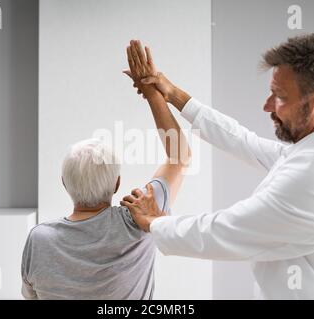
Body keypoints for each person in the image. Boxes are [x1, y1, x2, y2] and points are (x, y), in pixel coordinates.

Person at [121, 34, 314, 299]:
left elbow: (224, 231)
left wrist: (155, 222)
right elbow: (244, 141)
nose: (267, 106)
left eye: (280, 97)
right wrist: (174, 95)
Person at [20, 43, 191, 299]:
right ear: (116, 184)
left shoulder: (39, 239)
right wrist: (153, 94)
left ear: (64, 184)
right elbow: (180, 156)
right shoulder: (138, 219)